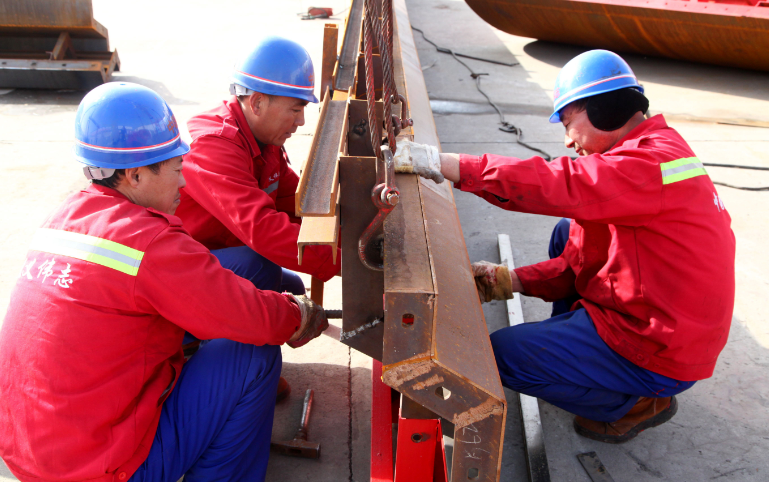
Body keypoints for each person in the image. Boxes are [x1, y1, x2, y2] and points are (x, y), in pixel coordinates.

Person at [393, 50, 736, 444]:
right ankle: (576, 350)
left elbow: (561, 183)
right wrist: (510, 281)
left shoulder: (644, 165)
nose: (568, 140)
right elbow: (581, 259)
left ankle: (632, 403)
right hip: (665, 313)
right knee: (567, 230)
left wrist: (446, 164)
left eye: (569, 121)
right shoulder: (655, 146)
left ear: (604, 109)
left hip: (659, 345)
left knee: (500, 356)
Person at [0, 82, 328, 482]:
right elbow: (252, 316)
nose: (184, 183)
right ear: (136, 175)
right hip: (103, 469)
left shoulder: (66, 217)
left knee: (255, 274)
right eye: (176, 169)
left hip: (31, 454)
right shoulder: (148, 241)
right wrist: (296, 314)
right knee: (253, 356)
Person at [175, 36, 341, 398]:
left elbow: (293, 201)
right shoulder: (214, 145)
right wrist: (350, 262)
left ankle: (245, 363)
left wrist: (349, 224)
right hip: (174, 278)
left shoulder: (263, 142)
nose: (301, 122)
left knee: (292, 289)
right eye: (295, 109)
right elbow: (263, 230)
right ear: (257, 101)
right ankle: (196, 356)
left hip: (214, 254)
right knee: (262, 269)